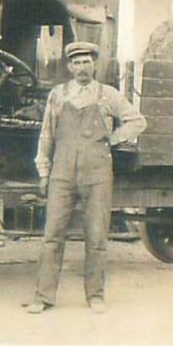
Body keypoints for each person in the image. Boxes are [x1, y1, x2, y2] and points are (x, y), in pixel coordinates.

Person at [27, 41, 146, 314]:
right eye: (76, 63)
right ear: (69, 66)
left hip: (97, 174)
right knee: (52, 235)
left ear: (95, 65)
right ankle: (43, 296)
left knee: (96, 236)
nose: (82, 68)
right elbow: (46, 136)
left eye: (87, 62)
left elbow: (138, 121)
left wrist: (112, 139)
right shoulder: (58, 96)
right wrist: (43, 171)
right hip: (62, 174)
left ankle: (95, 295)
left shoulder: (108, 95)